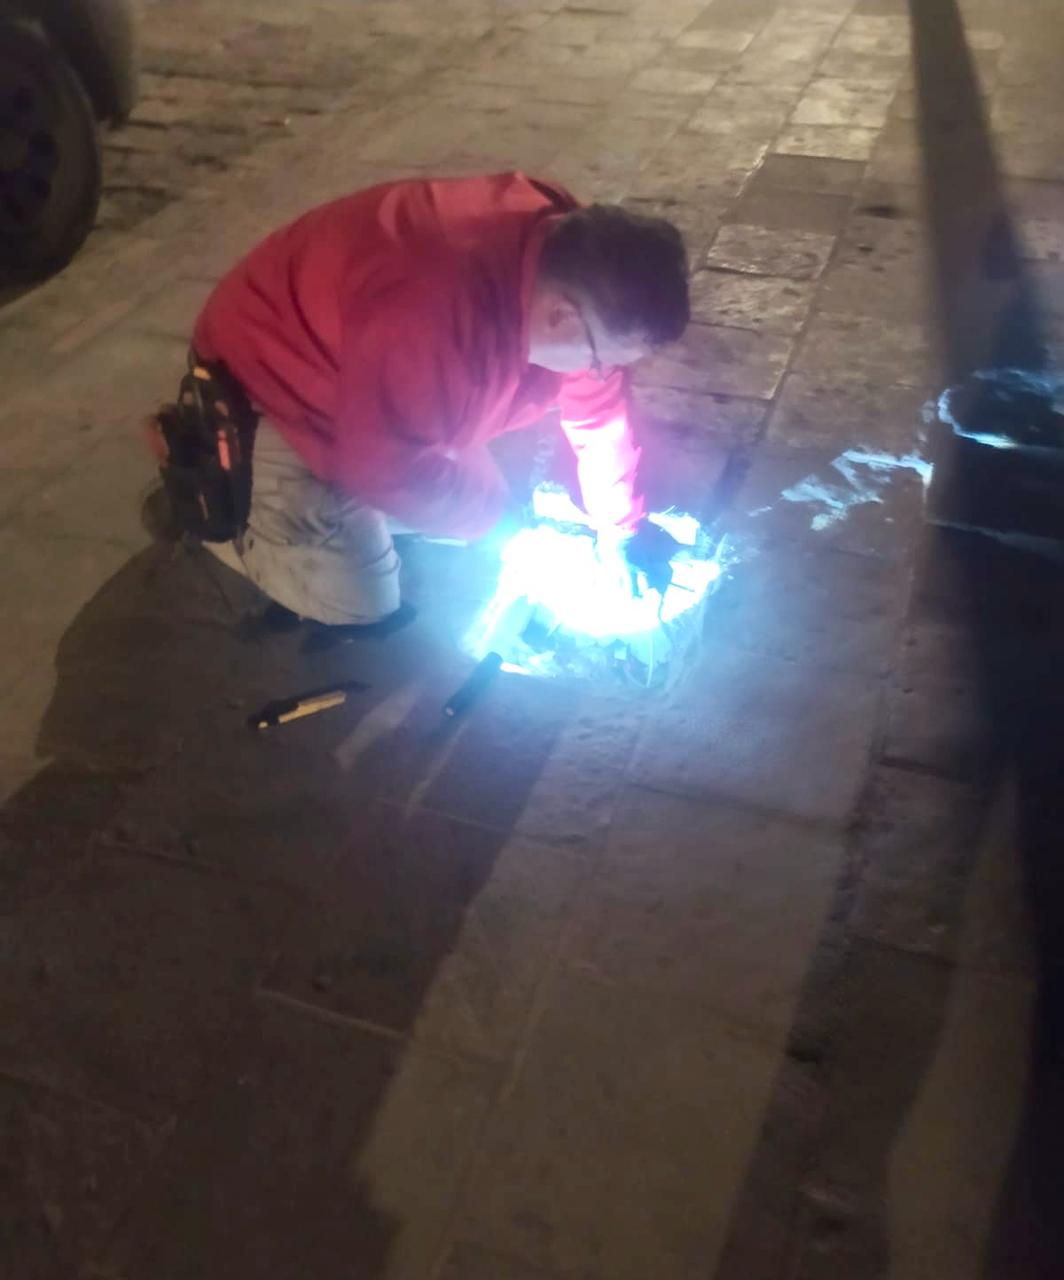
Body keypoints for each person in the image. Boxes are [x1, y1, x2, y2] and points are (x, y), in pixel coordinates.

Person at [184, 171, 689, 626]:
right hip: (268, 376)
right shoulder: (432, 314)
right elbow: (382, 468)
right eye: (600, 361)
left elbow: (599, 416)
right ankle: (212, 503)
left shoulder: (575, 264)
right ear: (561, 317)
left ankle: (351, 490)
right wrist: (496, 527)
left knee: (474, 508)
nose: (600, 374)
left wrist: (618, 526)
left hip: (374, 368)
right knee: (360, 598)